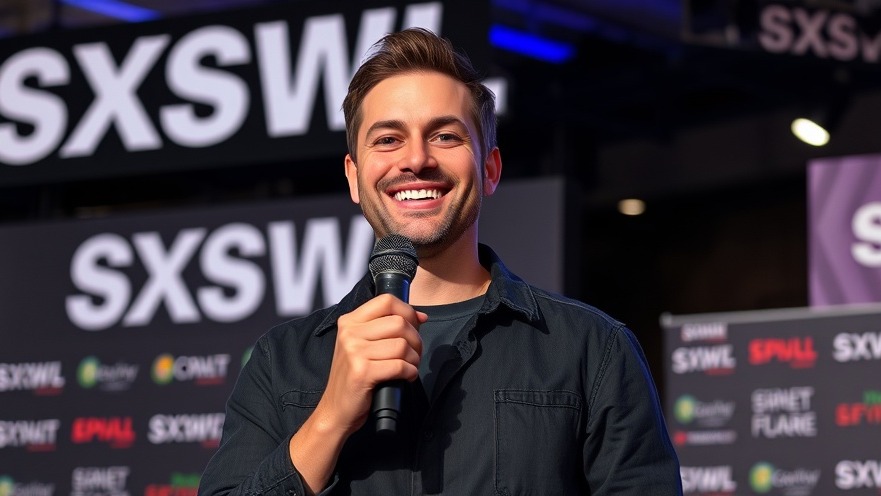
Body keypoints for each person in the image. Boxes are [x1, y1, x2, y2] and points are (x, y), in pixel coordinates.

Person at [198, 27, 682, 495]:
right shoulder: (281, 361)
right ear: (354, 177)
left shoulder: (592, 351)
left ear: (489, 169)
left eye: (445, 136)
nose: (416, 159)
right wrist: (330, 417)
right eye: (388, 139)